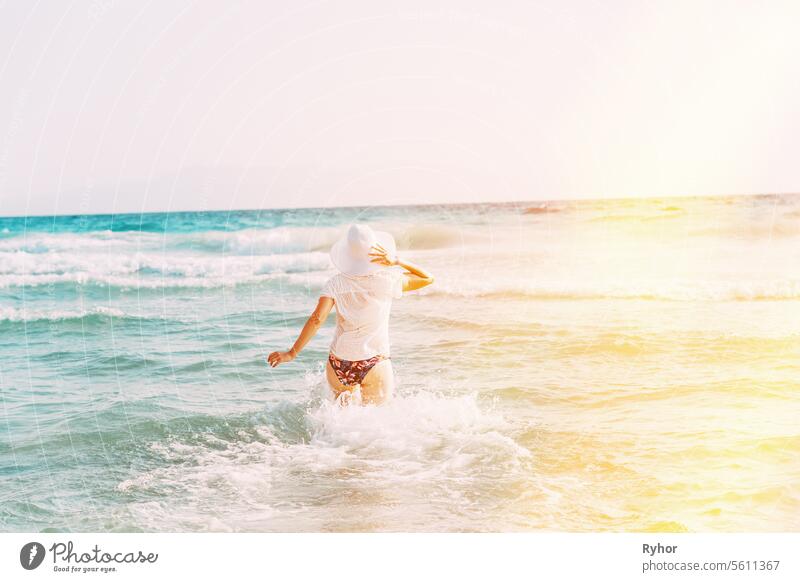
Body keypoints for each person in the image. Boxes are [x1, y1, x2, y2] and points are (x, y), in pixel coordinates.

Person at [267, 223, 434, 404]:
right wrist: (397, 261)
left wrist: (292, 353)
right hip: (374, 361)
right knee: (375, 422)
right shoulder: (388, 280)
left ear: (348, 253)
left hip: (340, 361)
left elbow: (317, 319)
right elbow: (428, 278)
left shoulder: (335, 283)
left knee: (340, 422)